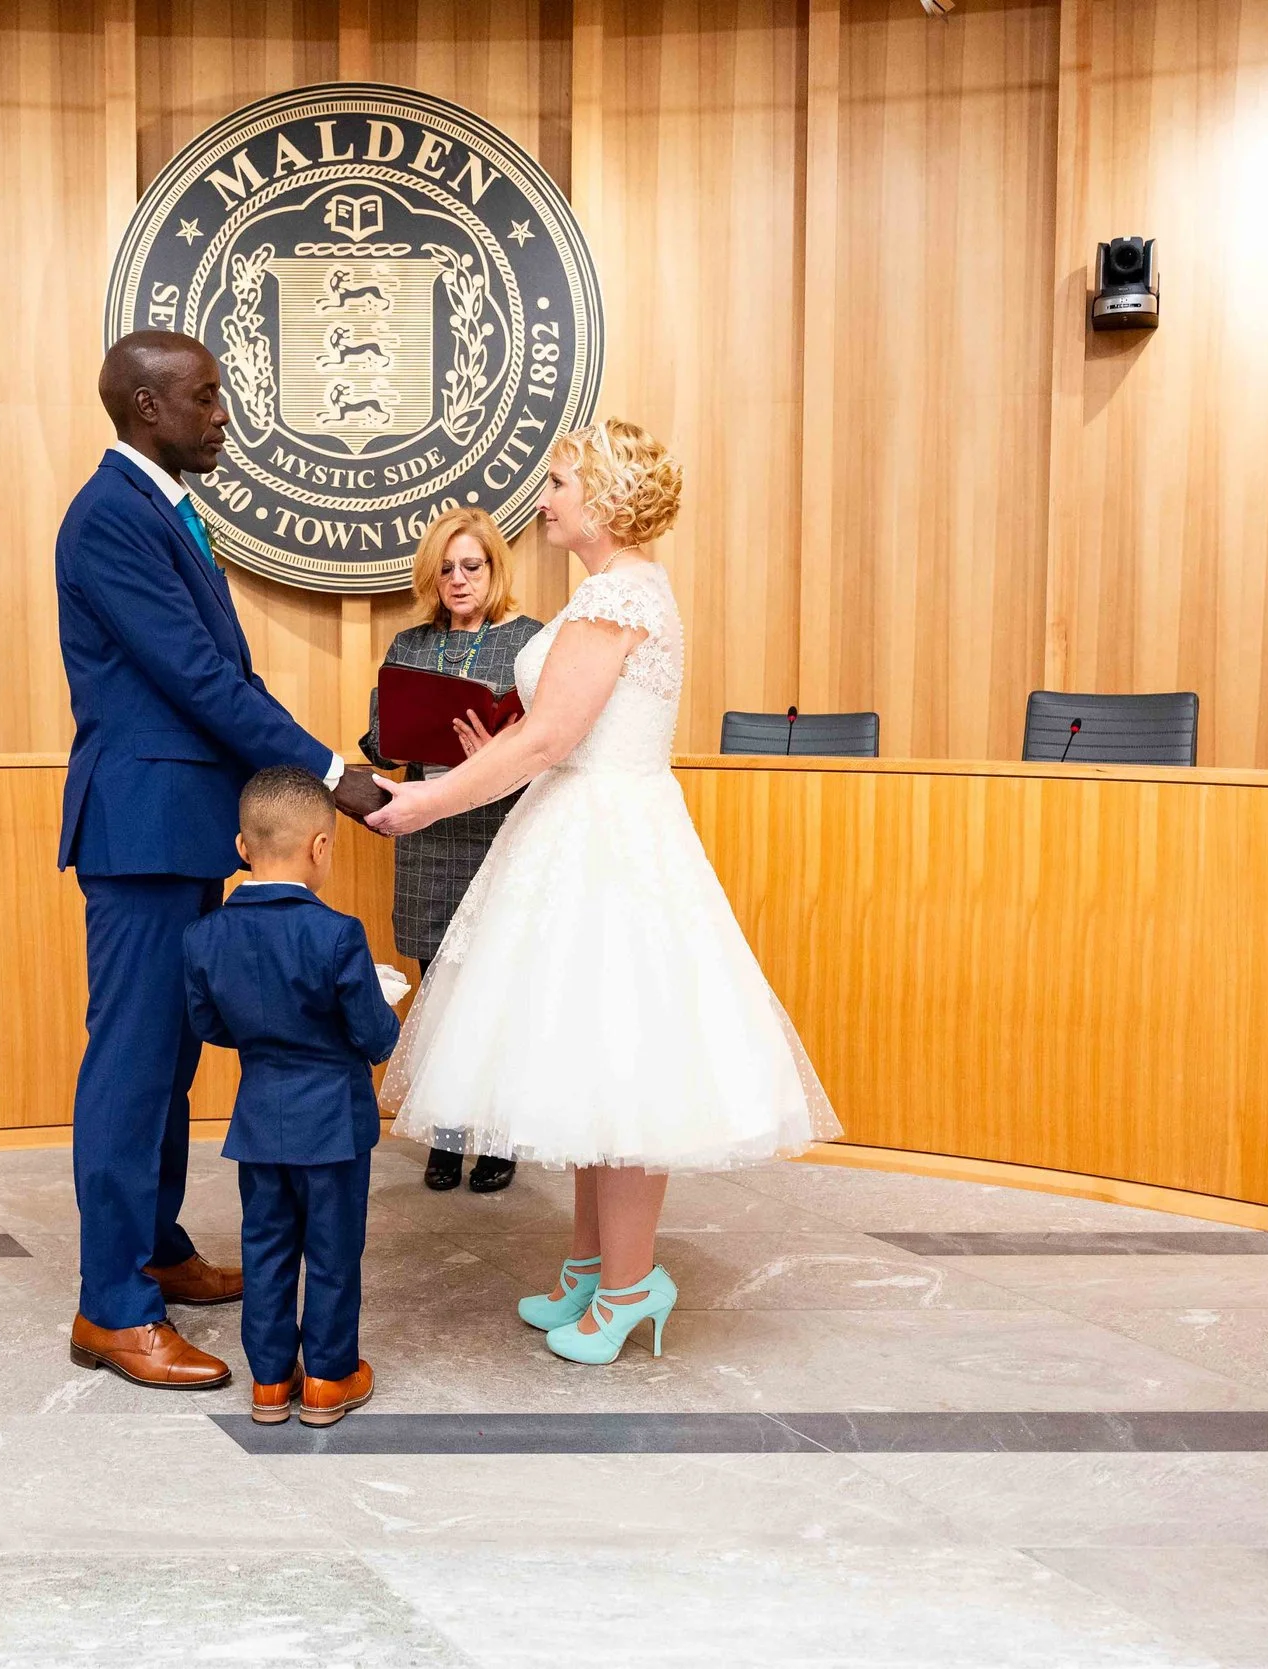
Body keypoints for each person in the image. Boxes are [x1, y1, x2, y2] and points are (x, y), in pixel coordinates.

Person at [367, 418, 842, 1365]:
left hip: (606, 842)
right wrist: (490, 759)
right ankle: (589, 1268)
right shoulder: (619, 589)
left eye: (558, 482)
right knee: (586, 1061)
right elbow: (547, 732)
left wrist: (424, 802)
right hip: (583, 822)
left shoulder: (616, 594)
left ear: (608, 495)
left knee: (621, 1065)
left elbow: (549, 739)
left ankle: (629, 1288)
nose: (543, 499)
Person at [56, 330, 387, 1391]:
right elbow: (199, 680)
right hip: (141, 830)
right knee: (131, 1064)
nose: (222, 415)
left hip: (178, 826)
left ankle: (155, 1250)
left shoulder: (159, 509)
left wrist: (322, 766)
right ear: (146, 408)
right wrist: (328, 773)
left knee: (167, 1062)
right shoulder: (111, 515)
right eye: (204, 398)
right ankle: (112, 1306)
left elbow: (218, 678)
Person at [183, 767, 403, 1427]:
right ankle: (330, 1378)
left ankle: (271, 1381)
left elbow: (208, 1024)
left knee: (266, 1249)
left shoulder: (204, 936)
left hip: (259, 1123)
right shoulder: (338, 934)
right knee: (332, 1254)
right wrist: (381, 1000)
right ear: (320, 846)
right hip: (333, 1126)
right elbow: (375, 1037)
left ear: (242, 847)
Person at [358, 507, 544, 1194]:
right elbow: (381, 744)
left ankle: (497, 1135)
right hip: (428, 838)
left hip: (500, 831)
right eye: (446, 569)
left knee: (498, 990)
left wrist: (499, 752)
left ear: (494, 568)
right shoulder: (408, 644)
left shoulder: (528, 640)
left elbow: (552, 742)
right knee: (437, 985)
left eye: (472, 566)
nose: (459, 580)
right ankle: (446, 1133)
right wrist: (393, 734)